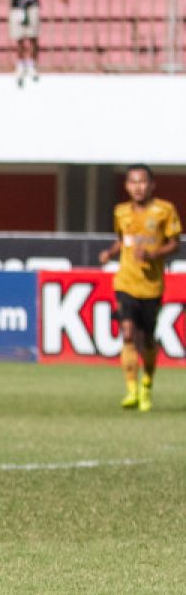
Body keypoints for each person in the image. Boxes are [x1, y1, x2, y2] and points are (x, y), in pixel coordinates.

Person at [98, 164, 180, 412]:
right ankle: (131, 389)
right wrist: (110, 252)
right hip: (125, 281)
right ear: (126, 186)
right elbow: (122, 241)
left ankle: (147, 384)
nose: (138, 187)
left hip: (152, 286)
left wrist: (153, 253)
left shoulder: (164, 210)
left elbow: (174, 244)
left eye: (142, 182)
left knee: (147, 340)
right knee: (128, 332)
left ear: (152, 185)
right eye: (133, 182)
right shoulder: (121, 212)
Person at [4, 0, 64, 87]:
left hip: (32, 4)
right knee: (19, 37)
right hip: (18, 5)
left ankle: (32, 64)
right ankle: (20, 64)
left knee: (33, 36)